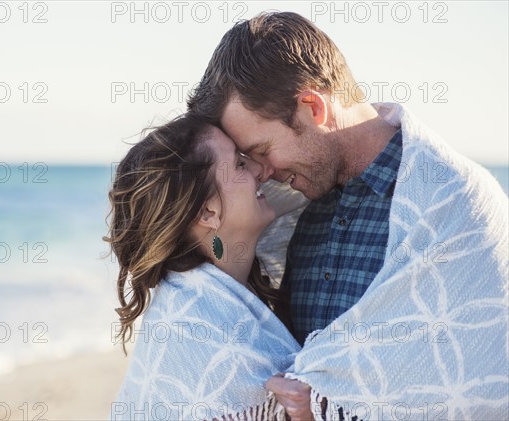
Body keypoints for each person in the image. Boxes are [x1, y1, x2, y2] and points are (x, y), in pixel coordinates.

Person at [188, 11, 508, 420]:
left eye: (264, 150)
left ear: (312, 108)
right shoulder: (297, 208)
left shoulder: (454, 203)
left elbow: (482, 382)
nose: (263, 172)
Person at [105, 114, 301, 420]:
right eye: (239, 164)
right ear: (208, 212)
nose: (262, 169)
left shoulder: (200, 297)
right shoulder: (203, 338)